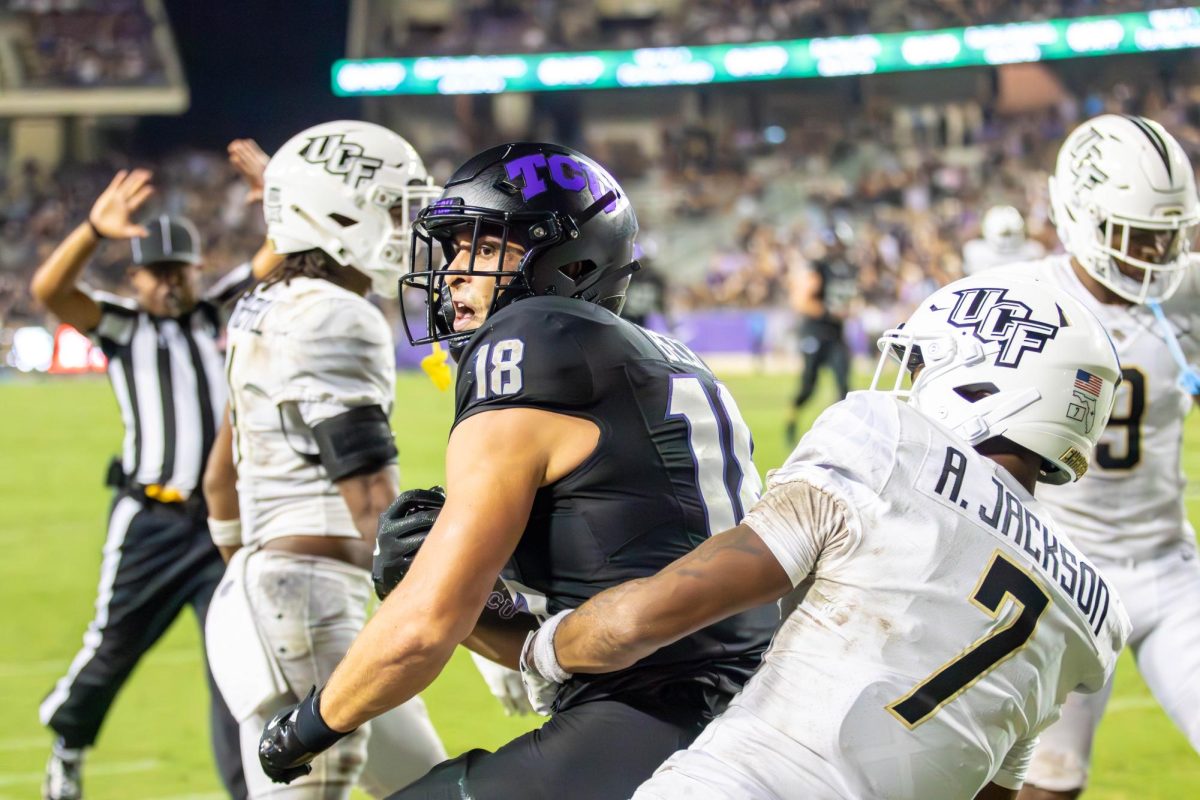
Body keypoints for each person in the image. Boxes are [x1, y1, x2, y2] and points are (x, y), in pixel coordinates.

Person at [255, 141, 780, 799]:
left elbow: (422, 630)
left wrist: (304, 728)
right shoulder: (671, 358)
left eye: (481, 247)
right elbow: (581, 647)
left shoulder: (531, 339)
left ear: (568, 258)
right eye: (451, 249)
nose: (452, 273)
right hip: (752, 715)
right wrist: (486, 613)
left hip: (657, 726)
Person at [521, 270, 1132, 800]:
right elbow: (995, 785)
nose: (912, 385)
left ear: (987, 380)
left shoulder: (891, 442)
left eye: (928, 366)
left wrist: (541, 649)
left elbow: (645, 619)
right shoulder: (1093, 610)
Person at [201, 120, 449, 798]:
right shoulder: (337, 314)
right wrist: (473, 623)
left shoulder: (263, 304)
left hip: (276, 594)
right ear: (338, 211)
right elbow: (373, 507)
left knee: (429, 785)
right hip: (307, 606)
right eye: (395, 206)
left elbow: (218, 478)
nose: (408, 225)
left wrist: (250, 574)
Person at [30, 170, 250, 800]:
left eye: (179, 267)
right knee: (111, 649)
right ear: (134, 279)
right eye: (156, 271)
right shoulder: (127, 325)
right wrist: (95, 231)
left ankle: (250, 788)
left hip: (220, 527)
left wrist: (280, 199)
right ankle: (69, 747)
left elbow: (269, 262)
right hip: (151, 518)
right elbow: (51, 290)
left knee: (237, 662)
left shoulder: (217, 312)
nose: (169, 280)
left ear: (198, 267)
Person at [1007, 115, 1200, 799]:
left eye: (1170, 235)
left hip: (1171, 570)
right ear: (1082, 215)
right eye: (1137, 234)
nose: (1157, 252)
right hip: (1063, 578)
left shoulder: (1187, 292)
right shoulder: (1023, 298)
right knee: (1045, 783)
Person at [784, 226, 856, 443]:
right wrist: (828, 312)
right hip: (815, 332)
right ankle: (791, 420)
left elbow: (849, 299)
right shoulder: (818, 267)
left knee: (844, 386)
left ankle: (835, 433)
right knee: (808, 387)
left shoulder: (847, 268)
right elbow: (800, 301)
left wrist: (847, 309)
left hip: (836, 334)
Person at [962, 205, 1046, 276]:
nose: (1008, 239)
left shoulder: (1034, 250)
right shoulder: (974, 251)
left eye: (1010, 234)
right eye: (1004, 234)